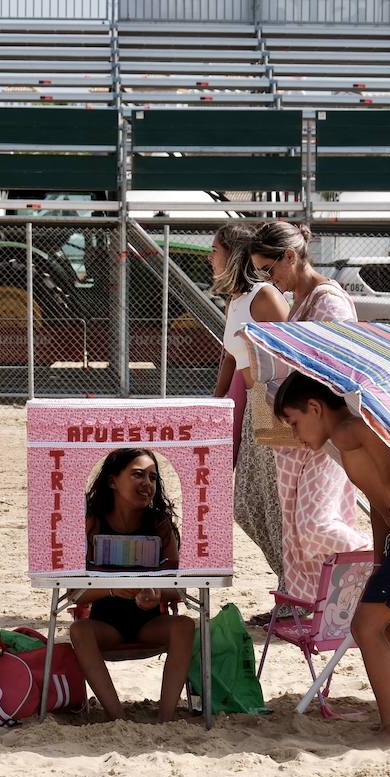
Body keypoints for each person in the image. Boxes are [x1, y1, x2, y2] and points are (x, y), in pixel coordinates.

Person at [273, 372, 390, 745]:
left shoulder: (346, 429)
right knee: (380, 625)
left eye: (294, 423)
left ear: (315, 407)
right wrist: (379, 558)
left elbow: (371, 433)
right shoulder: (345, 444)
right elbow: (379, 504)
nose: (295, 435)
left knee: (365, 626)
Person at [245, 221, 370, 616]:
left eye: (270, 269)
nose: (268, 280)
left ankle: (381, 566)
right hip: (300, 432)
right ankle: (314, 608)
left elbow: (335, 372)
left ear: (290, 256)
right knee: (298, 534)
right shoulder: (303, 300)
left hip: (322, 432)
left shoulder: (328, 302)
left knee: (315, 527)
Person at [67, 448, 194, 724]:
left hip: (149, 623)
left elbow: (180, 589)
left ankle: (166, 719)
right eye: (137, 474)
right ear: (112, 481)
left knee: (185, 625)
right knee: (78, 630)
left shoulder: (160, 524)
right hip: (107, 627)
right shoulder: (93, 524)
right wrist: (113, 589)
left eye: (152, 477)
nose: (147, 483)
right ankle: (117, 718)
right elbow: (74, 593)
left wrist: (157, 593)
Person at [209, 222, 286, 583]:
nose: (210, 257)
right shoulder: (236, 301)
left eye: (215, 250)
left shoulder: (265, 295)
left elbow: (294, 353)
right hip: (256, 406)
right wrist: (214, 403)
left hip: (277, 406)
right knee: (247, 506)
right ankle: (292, 581)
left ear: (234, 253)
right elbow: (229, 357)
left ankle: (295, 588)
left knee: (274, 505)